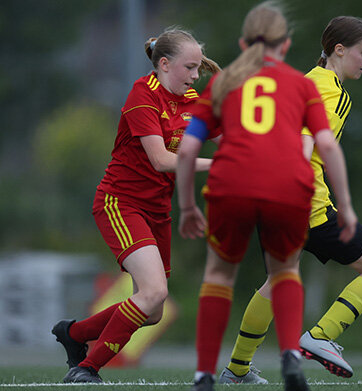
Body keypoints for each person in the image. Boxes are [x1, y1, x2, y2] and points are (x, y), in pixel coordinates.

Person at [175, 3, 358, 391]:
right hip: (285, 187)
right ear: (286, 44)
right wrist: (345, 204)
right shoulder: (302, 84)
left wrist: (188, 206)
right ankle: (291, 358)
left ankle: (205, 375)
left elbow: (189, 150)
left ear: (243, 42)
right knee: (285, 271)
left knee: (219, 276)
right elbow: (326, 145)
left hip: (229, 185)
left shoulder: (222, 84)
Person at [219, 16, 362, 384]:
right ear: (339, 50)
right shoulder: (330, 89)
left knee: (278, 281)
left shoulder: (303, 80)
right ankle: (321, 337)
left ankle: (237, 369)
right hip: (305, 205)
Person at [51, 28, 221, 384]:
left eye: (197, 69)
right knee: (154, 292)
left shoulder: (190, 98)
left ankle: (76, 333)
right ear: (163, 64)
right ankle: (86, 368)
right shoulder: (143, 94)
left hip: (157, 211)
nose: (194, 76)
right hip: (120, 203)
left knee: (153, 310)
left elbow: (226, 132)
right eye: (189, 68)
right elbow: (161, 159)